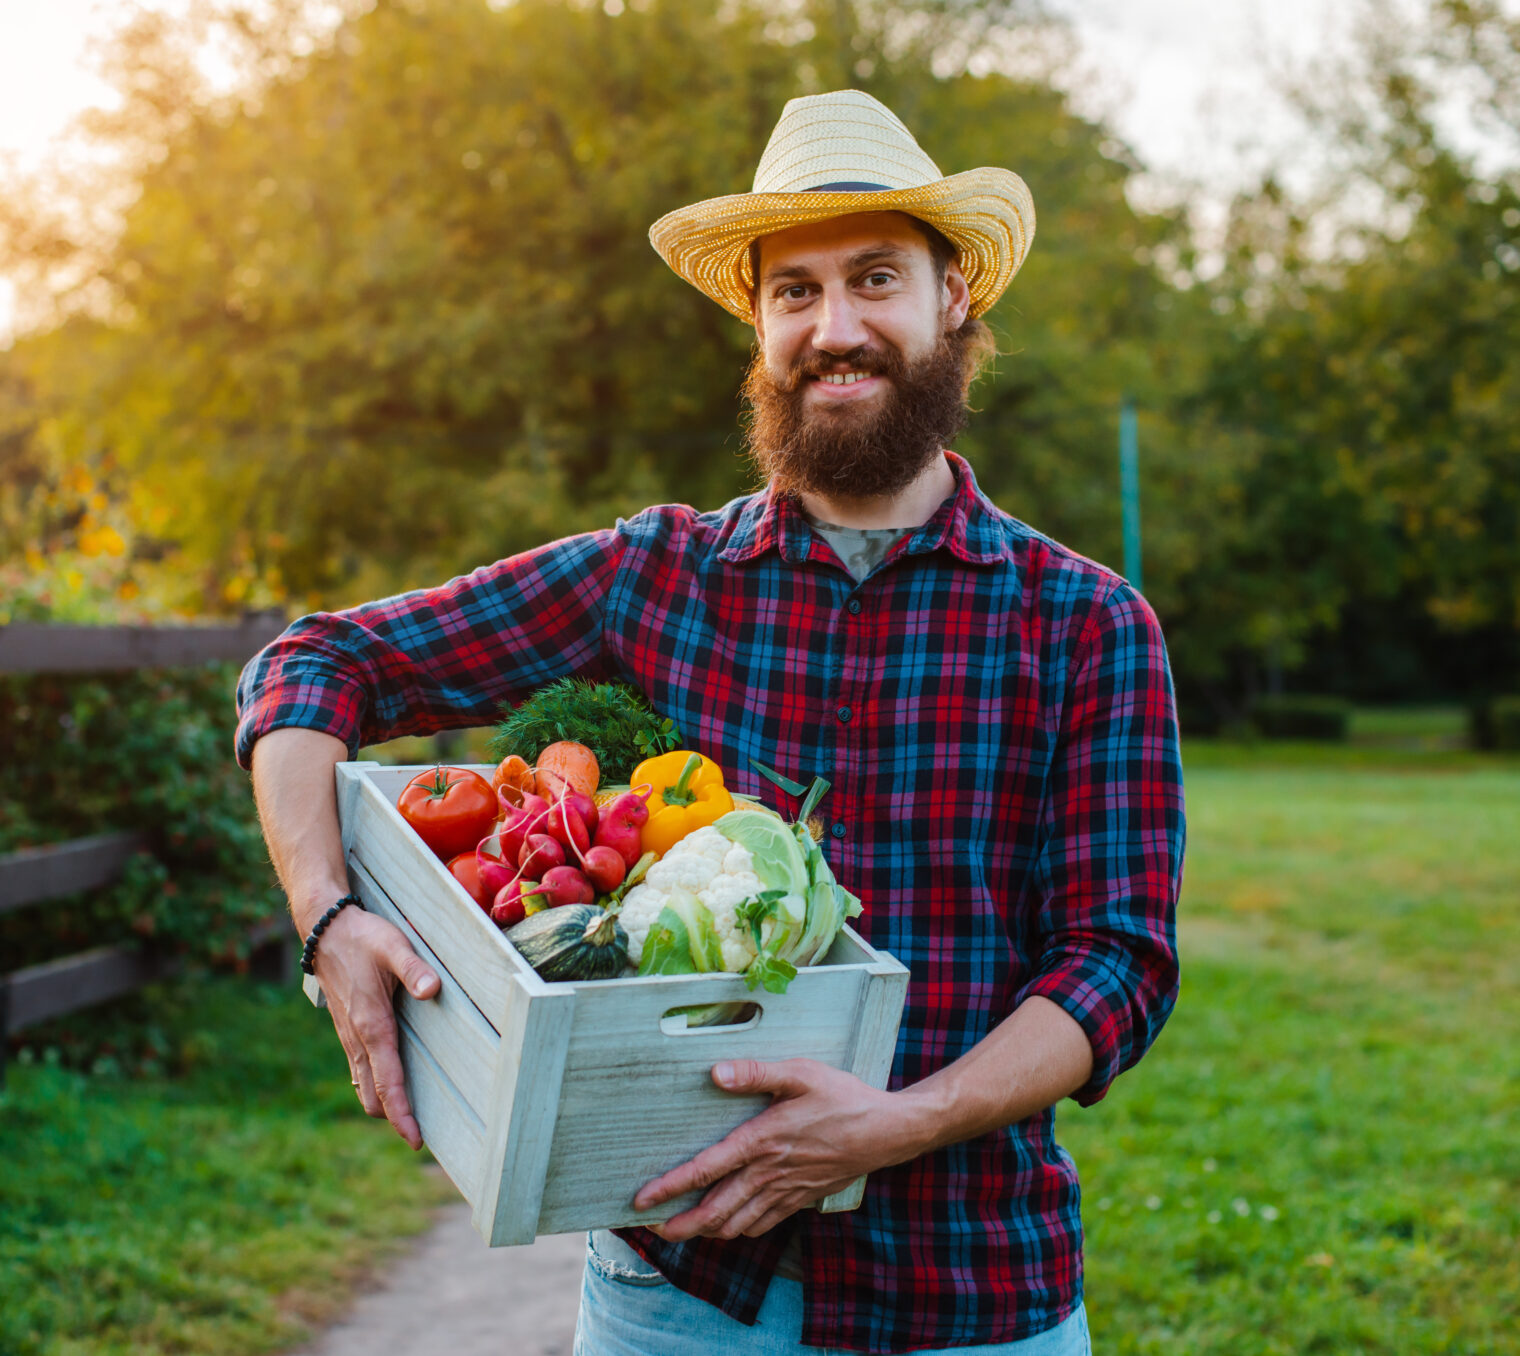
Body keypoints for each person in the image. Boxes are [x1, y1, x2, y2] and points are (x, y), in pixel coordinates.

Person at [236, 90, 1183, 1355]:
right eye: (793, 291)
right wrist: (328, 921)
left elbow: (1116, 962)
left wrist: (897, 1121)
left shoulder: (1086, 625)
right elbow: (316, 663)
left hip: (973, 1296)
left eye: (876, 279)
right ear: (757, 322)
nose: (834, 328)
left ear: (955, 299)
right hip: (679, 1302)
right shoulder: (658, 575)